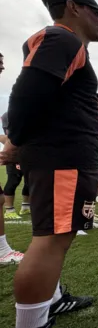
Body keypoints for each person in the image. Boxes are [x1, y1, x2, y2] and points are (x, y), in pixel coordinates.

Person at [1, 0, 98, 328]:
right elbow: (26, 95)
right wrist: (15, 138)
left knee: (58, 237)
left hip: (64, 157)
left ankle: (52, 299)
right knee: (50, 240)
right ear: (72, 8)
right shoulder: (60, 39)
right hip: (61, 159)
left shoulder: (68, 44)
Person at [0, 55, 24, 266]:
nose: (3, 66)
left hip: (25, 152)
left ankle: (2, 250)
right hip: (16, 152)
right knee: (12, 181)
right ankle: (9, 211)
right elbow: (9, 134)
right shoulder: (10, 113)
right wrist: (11, 147)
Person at [1, 112, 30, 219]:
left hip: (27, 155)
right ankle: (9, 210)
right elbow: (10, 138)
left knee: (29, 182)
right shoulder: (9, 115)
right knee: (13, 181)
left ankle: (25, 206)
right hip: (14, 155)